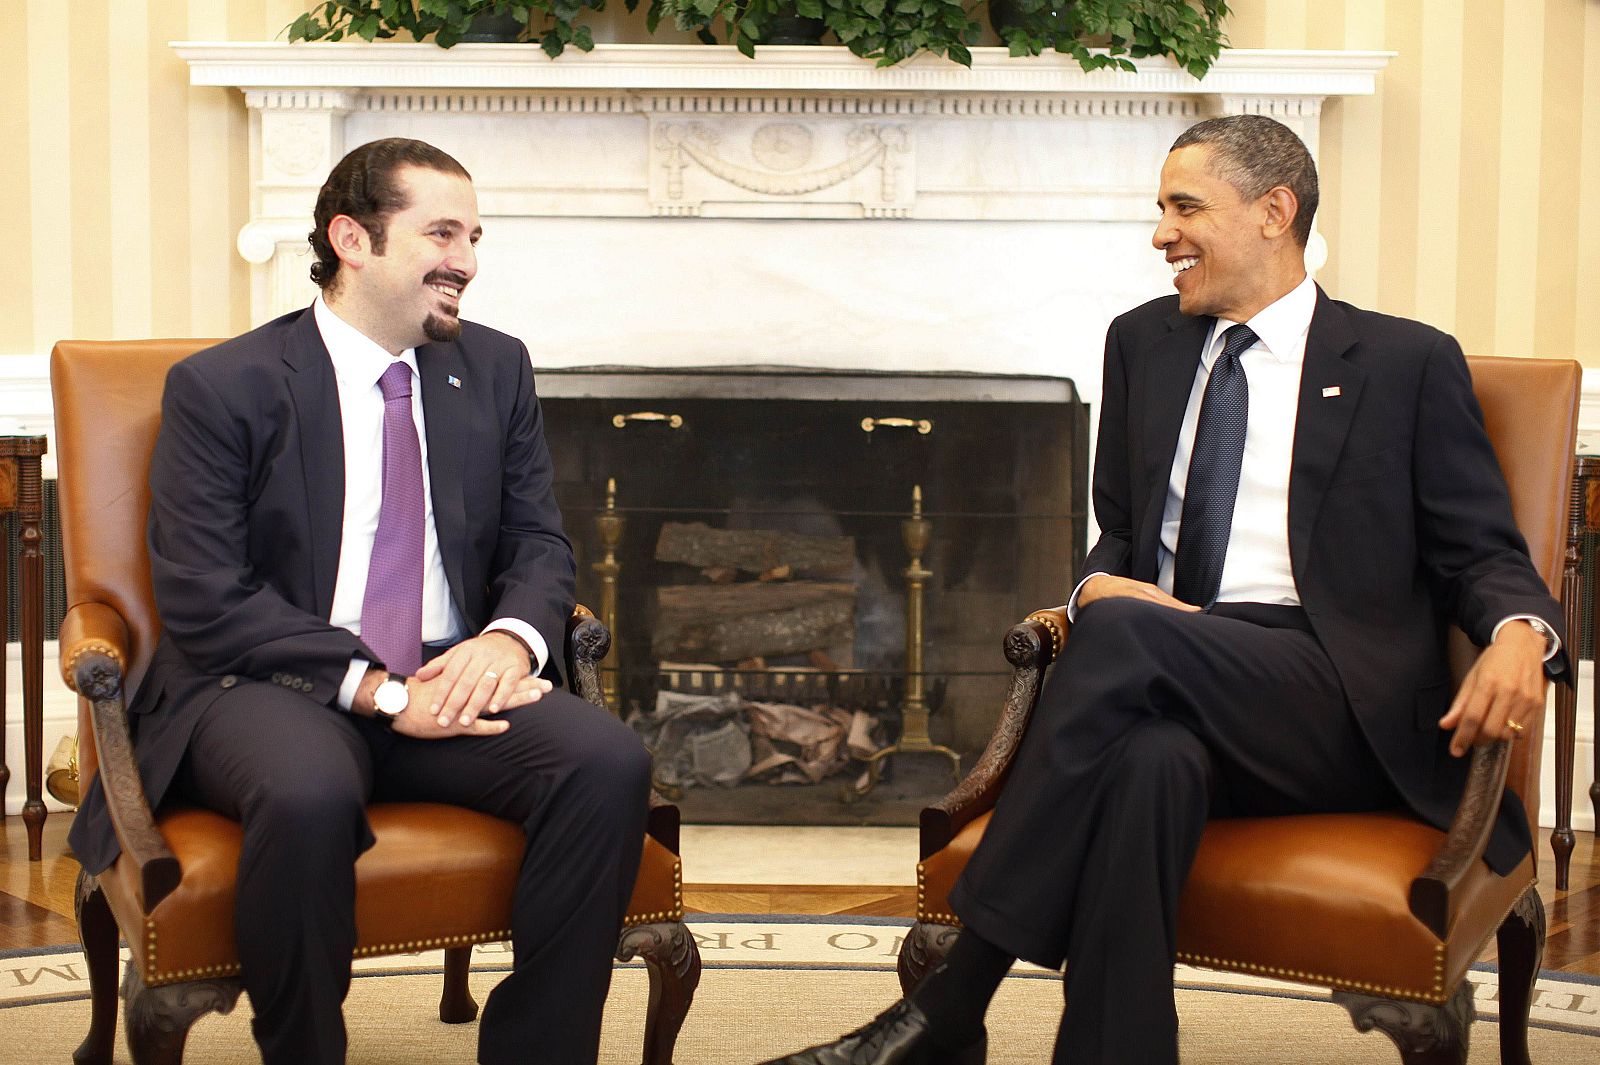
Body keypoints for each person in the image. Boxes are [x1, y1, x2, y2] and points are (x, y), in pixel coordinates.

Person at [758, 115, 1567, 1065]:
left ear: (1275, 211)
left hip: (1334, 695)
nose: (1160, 235)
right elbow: (1121, 538)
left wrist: (1522, 632)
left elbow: (1482, 550)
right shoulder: (1143, 343)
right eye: (1160, 209)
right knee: (1147, 764)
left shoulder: (1403, 362)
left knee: (1123, 643)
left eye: (1186, 207)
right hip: (1166, 671)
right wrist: (1104, 586)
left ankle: (949, 1007)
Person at [67, 137, 652, 1065]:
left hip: (450, 675)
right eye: (441, 233)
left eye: (474, 236)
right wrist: (381, 691)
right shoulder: (225, 387)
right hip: (267, 684)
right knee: (307, 790)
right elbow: (205, 596)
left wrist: (508, 642)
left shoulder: (494, 370)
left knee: (607, 760)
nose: (466, 260)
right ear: (352, 239)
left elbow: (539, 541)